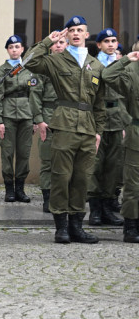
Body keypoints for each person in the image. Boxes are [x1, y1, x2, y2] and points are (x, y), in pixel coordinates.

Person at [23, 18, 104, 244]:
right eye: (73, 31)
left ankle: (77, 227)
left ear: (87, 35)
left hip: (88, 129)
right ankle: (61, 228)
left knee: (82, 179)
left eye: (80, 30)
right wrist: (48, 40)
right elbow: (28, 61)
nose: (76, 33)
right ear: (67, 36)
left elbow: (100, 103)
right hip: (64, 124)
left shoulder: (96, 66)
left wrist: (99, 131)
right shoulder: (56, 61)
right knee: (61, 177)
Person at [99, 42, 139, 243]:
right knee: (133, 183)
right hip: (137, 132)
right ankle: (131, 226)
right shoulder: (131, 71)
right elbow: (107, 76)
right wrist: (125, 59)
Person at [0, 35, 40, 203]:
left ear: (22, 49)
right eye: (11, 47)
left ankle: (20, 188)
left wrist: (35, 119)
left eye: (17, 47)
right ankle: (9, 189)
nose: (14, 50)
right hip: (8, 115)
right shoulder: (1, 71)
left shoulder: (30, 70)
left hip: (27, 115)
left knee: (24, 153)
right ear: (7, 50)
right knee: (7, 153)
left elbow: (35, 94)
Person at [87, 28, 126, 226]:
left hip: (118, 118)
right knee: (96, 164)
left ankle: (108, 206)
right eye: (107, 41)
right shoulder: (93, 64)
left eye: (114, 41)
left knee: (114, 165)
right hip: (98, 118)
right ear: (99, 45)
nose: (111, 44)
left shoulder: (122, 64)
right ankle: (95, 208)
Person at [34, 35, 65, 213]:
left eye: (62, 42)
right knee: (47, 160)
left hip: (67, 116)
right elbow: (35, 94)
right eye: (56, 43)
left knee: (66, 161)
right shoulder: (44, 66)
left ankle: (62, 197)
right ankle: (47, 197)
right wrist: (39, 120)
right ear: (50, 47)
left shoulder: (73, 64)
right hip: (48, 115)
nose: (59, 45)